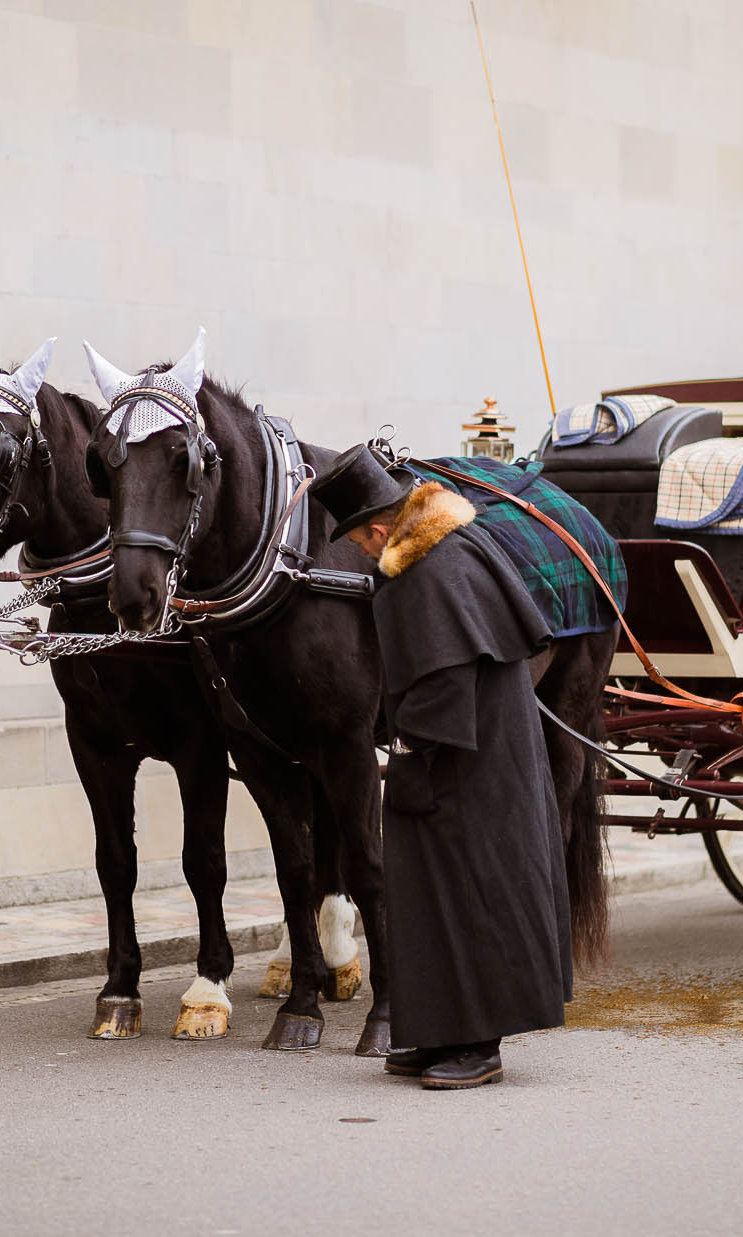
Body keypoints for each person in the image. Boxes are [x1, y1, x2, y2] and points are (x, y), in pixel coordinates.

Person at [311, 442, 574, 1090]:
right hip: (459, 754)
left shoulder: (435, 566)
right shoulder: (437, 550)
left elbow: (446, 677)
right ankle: (439, 1031)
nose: (363, 554)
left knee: (473, 891)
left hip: (467, 763)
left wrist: (407, 751)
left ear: (379, 529)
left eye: (359, 541)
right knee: (432, 893)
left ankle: (479, 1043)